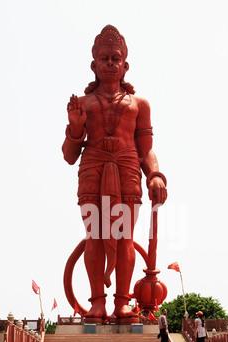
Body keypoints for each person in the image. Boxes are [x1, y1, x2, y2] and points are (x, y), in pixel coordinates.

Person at [62, 25, 167, 322]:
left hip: (128, 170)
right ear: (94, 65)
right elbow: (70, 156)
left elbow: (146, 148)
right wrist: (75, 128)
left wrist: (155, 175)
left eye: (115, 58)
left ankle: (122, 303)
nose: (110, 63)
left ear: (125, 65)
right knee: (94, 234)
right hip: (92, 169)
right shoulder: (81, 105)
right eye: (104, 58)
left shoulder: (139, 105)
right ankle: (97, 303)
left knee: (124, 236)